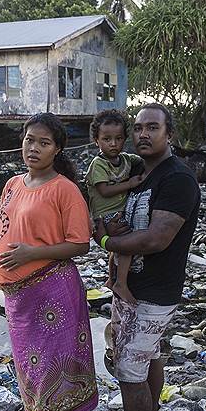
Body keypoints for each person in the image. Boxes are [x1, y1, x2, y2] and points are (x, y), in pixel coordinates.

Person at [93, 103, 201, 411]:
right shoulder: (140, 173)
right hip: (132, 289)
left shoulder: (177, 179)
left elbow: (157, 239)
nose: (142, 135)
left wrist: (106, 239)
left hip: (155, 293)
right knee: (149, 357)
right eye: (137, 128)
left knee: (127, 371)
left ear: (169, 134)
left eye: (152, 128)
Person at [0, 112, 97, 411]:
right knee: (27, 361)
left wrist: (34, 253)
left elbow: (80, 244)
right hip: (18, 294)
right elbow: (5, 226)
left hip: (54, 290)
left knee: (63, 360)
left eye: (43, 143)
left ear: (57, 149)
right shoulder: (13, 184)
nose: (33, 148)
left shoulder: (65, 190)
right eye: (29, 139)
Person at [84, 109, 144, 306]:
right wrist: (131, 183)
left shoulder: (126, 159)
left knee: (115, 250)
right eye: (107, 139)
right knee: (127, 246)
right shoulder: (98, 164)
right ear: (96, 140)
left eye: (118, 139)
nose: (113, 144)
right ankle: (121, 283)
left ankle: (111, 279)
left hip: (118, 213)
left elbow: (144, 160)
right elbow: (104, 191)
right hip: (105, 215)